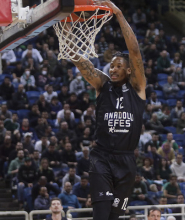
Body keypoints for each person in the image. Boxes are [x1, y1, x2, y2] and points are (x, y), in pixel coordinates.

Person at [66, 1, 146, 219]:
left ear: (129, 70)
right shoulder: (102, 84)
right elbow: (80, 62)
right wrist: (67, 31)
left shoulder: (137, 88)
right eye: (112, 65)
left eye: (119, 65)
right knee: (101, 213)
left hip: (127, 161)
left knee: (114, 215)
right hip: (101, 157)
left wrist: (119, 14)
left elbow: (135, 51)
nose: (114, 68)